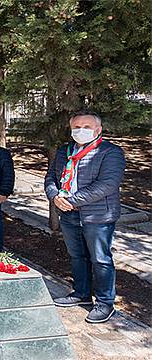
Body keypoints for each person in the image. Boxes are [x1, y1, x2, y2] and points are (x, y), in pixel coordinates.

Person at [44, 110, 125, 324]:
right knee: (77, 255)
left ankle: (105, 303)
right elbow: (51, 177)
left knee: (100, 258)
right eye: (76, 127)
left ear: (98, 130)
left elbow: (107, 184)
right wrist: (54, 196)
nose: (81, 131)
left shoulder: (110, 152)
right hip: (69, 214)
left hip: (98, 216)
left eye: (87, 127)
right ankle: (81, 294)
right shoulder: (64, 151)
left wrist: (71, 200)